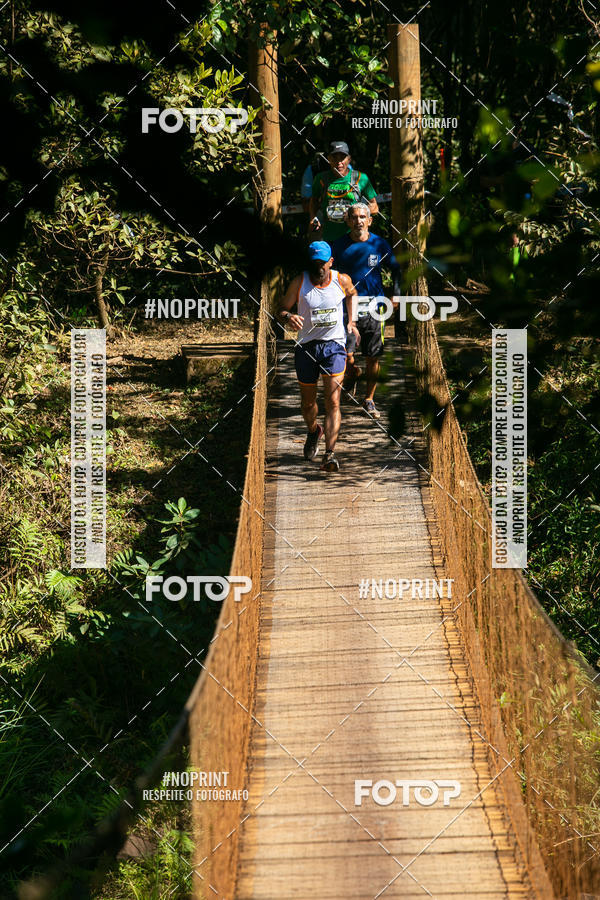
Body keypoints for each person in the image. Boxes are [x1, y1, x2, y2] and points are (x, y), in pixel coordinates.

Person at [278, 241, 358, 472]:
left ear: (330, 262)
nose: (318, 268)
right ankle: (314, 431)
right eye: (314, 264)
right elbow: (281, 308)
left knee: (333, 401)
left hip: (333, 346)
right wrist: (288, 317)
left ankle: (329, 454)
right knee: (308, 404)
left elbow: (353, 294)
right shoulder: (299, 282)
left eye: (322, 263)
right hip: (306, 347)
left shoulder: (341, 280)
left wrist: (351, 321)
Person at [331, 202, 401, 419]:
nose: (358, 221)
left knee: (373, 356)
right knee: (345, 355)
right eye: (354, 217)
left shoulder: (380, 244)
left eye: (363, 217)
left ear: (370, 220)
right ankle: (353, 371)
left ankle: (369, 399)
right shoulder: (338, 246)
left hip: (374, 306)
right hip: (346, 306)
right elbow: (326, 273)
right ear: (347, 220)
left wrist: (396, 295)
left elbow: (397, 270)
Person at [308, 141, 379, 242]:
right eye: (334, 157)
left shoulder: (360, 178)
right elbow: (314, 201)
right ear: (328, 159)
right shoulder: (321, 179)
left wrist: (354, 214)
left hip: (354, 239)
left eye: (342, 158)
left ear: (349, 159)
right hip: (328, 239)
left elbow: (374, 207)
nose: (339, 162)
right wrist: (313, 217)